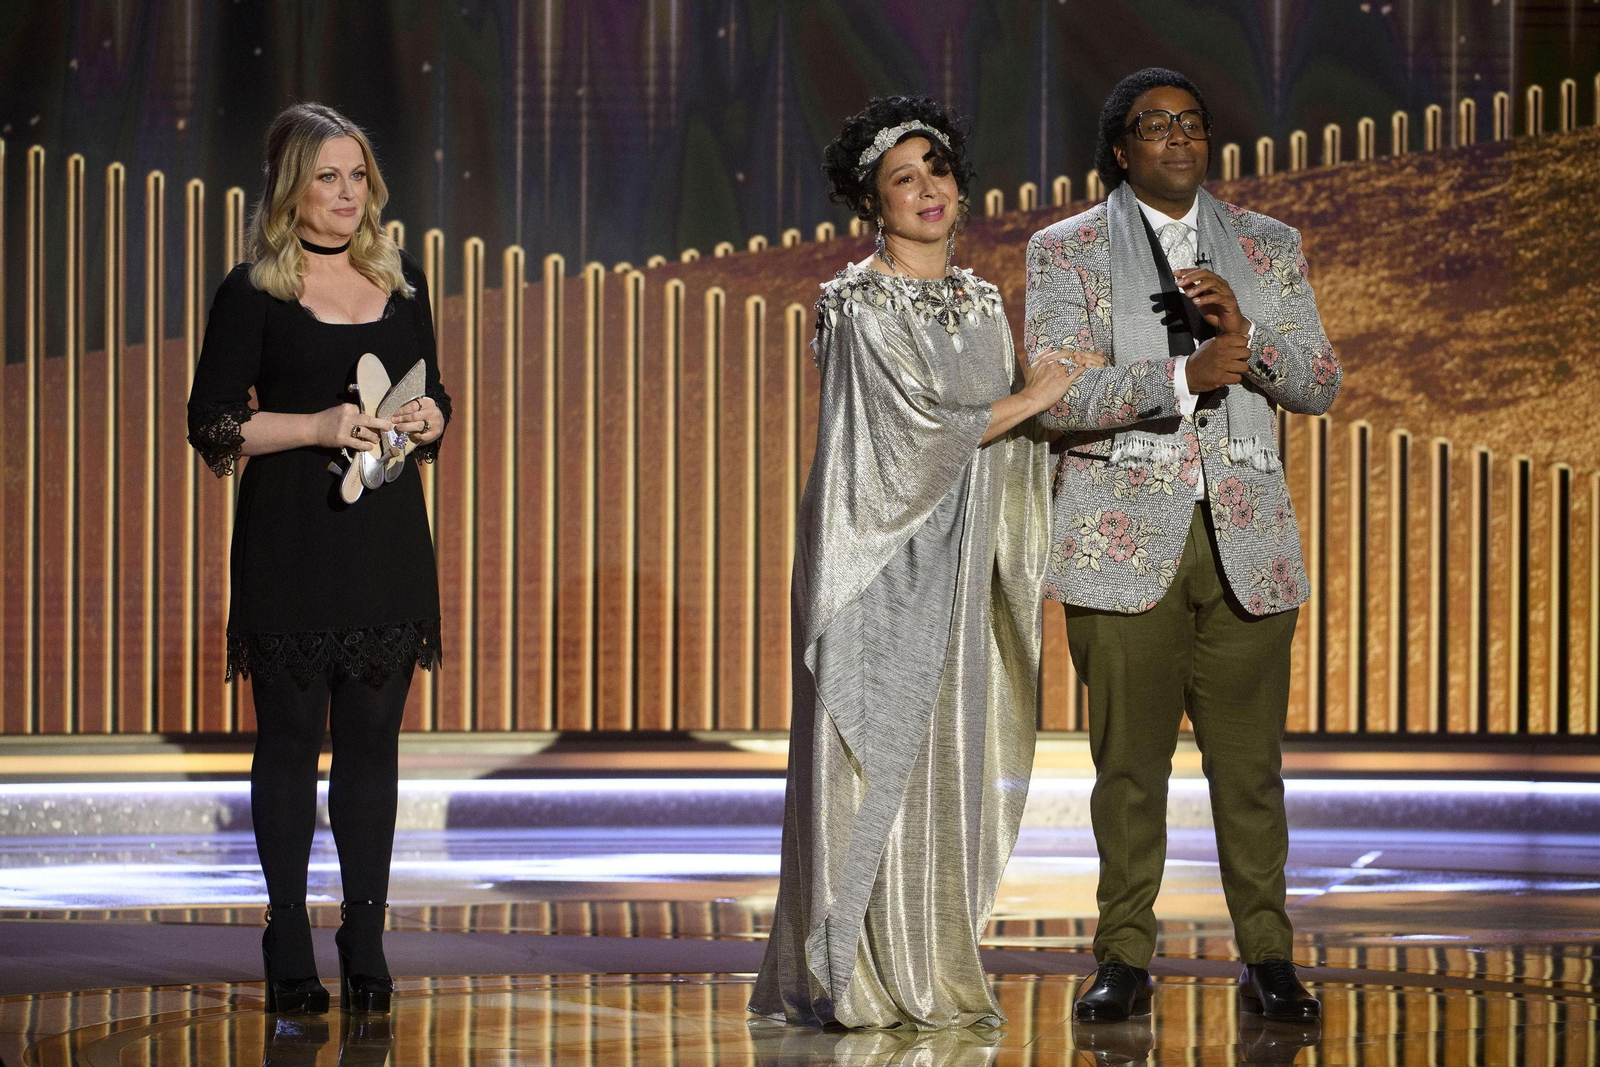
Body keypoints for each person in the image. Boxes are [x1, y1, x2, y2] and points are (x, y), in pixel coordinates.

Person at [748, 95, 1083, 1030]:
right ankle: (849, 972)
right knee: (871, 760)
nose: (928, 189)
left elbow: (996, 439)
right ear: (872, 202)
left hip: (958, 565)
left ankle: (929, 961)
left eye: (937, 169)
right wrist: (1037, 396)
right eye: (904, 177)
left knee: (942, 759)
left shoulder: (982, 299)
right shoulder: (855, 300)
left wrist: (1050, 401)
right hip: (875, 569)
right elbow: (912, 435)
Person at [1022, 68, 1341, 1024]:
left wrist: (1251, 337)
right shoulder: (1067, 252)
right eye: (1155, 125)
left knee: (1251, 770)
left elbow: (1320, 380)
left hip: (1247, 546)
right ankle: (1122, 952)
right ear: (1120, 147)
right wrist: (1179, 373)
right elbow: (1054, 398)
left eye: (1192, 124)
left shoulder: (1267, 245)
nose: (1178, 138)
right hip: (1122, 547)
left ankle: (1269, 954)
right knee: (1128, 771)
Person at [186, 102, 450, 1015]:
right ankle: (289, 931)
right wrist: (318, 425)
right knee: (292, 743)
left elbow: (438, 395)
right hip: (292, 541)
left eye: (358, 175)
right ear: (289, 188)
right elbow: (212, 422)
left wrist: (430, 420)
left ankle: (365, 934)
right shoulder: (252, 289)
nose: (348, 193)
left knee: (373, 746)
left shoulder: (403, 278)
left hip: (384, 544)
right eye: (327, 176)